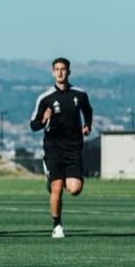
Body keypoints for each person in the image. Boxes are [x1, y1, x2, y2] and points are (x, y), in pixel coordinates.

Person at [29, 57, 93, 238]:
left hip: (74, 148)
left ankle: (57, 180)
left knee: (74, 189)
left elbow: (88, 110)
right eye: (56, 69)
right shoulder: (45, 98)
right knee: (57, 187)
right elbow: (33, 125)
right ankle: (57, 225)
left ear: (69, 71)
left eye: (63, 69)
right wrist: (43, 119)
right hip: (53, 148)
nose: (60, 72)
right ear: (52, 72)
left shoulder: (79, 94)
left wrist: (88, 125)